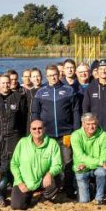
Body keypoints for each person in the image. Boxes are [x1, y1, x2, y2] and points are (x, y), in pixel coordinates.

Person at [32, 64, 81, 197]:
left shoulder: (69, 90)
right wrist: (36, 132)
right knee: (48, 164)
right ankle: (51, 188)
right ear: (46, 76)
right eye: (50, 75)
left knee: (67, 162)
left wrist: (75, 132)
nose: (53, 77)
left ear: (59, 75)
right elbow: (35, 113)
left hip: (65, 134)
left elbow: (76, 112)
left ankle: (69, 188)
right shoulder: (40, 92)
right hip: (47, 135)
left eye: (55, 75)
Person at [9, 120, 63, 210]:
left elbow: (58, 164)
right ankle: (31, 195)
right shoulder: (22, 143)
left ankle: (44, 196)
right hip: (25, 183)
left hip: (42, 181)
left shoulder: (52, 143)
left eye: (39, 128)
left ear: (44, 129)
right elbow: (14, 164)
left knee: (59, 176)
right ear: (30, 130)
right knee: (17, 206)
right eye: (34, 128)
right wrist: (20, 182)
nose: (37, 131)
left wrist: (49, 174)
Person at [70, 113, 106, 205]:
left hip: (95, 167)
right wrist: (99, 162)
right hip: (82, 169)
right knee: (84, 201)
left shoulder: (105, 136)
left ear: (97, 123)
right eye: (88, 124)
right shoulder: (75, 135)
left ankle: (99, 197)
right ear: (83, 124)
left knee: (102, 172)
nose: (91, 126)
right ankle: (91, 188)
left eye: (93, 123)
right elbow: (80, 156)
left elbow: (105, 158)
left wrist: (88, 164)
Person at [0, 74, 28, 162]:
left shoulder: (19, 97)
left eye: (7, 83)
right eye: (3, 83)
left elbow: (24, 118)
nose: (5, 85)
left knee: (14, 162)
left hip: (14, 137)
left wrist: (24, 136)